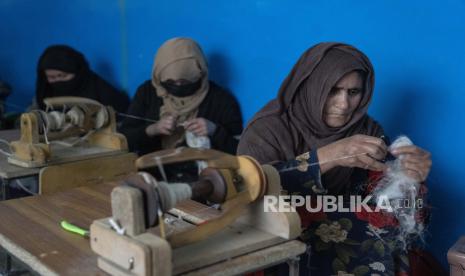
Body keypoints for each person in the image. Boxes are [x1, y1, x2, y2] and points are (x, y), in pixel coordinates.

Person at [238, 43, 434, 275]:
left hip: (347, 245)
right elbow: (248, 196)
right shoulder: (267, 130)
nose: (343, 105)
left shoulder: (367, 131)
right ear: (310, 86)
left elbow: (394, 217)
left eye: (353, 92)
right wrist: (328, 156)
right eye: (332, 90)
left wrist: (409, 181)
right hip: (281, 241)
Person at [120, 37, 242, 182]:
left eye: (184, 82)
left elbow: (239, 152)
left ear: (200, 74)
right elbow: (124, 140)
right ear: (159, 77)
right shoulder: (147, 93)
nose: (178, 86)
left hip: (201, 185)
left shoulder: (220, 100)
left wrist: (214, 130)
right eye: (170, 82)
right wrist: (152, 130)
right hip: (151, 179)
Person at [34, 45, 129, 113]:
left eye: (62, 76)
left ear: (78, 73)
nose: (57, 81)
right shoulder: (45, 93)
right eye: (51, 77)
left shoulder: (103, 93)